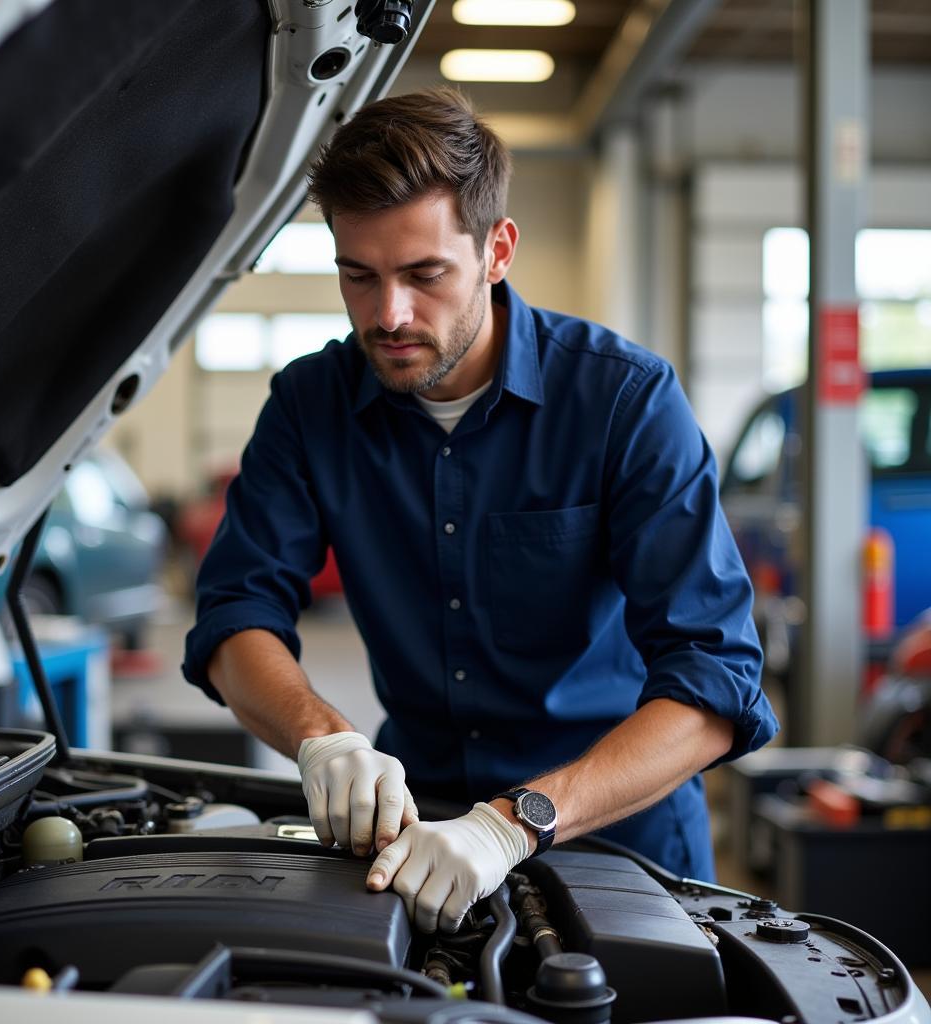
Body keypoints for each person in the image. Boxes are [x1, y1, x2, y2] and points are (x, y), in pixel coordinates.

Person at [183, 88, 778, 935]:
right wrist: (324, 737)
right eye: (359, 276)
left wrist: (514, 821)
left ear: (497, 251)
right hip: (410, 844)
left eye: (425, 275)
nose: (388, 314)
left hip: (623, 853)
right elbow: (235, 613)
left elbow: (716, 681)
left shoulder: (625, 401)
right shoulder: (309, 405)